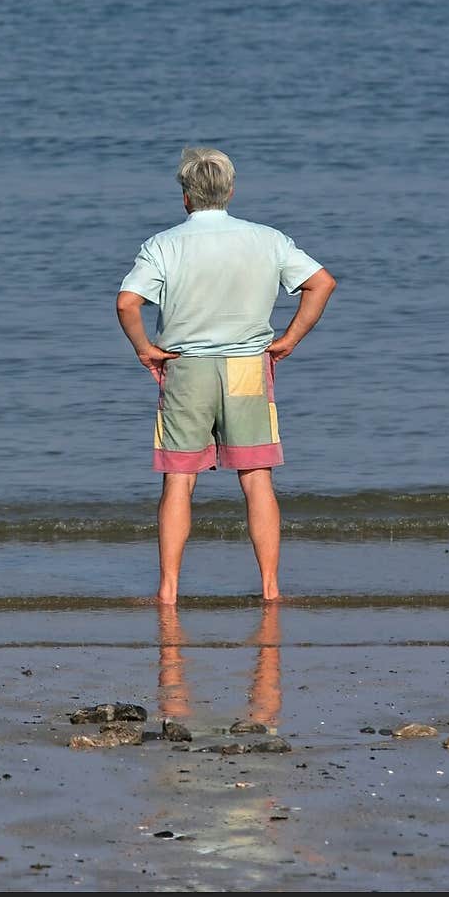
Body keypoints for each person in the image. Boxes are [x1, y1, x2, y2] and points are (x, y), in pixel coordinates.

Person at [117, 146, 336, 604]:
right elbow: (321, 283)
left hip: (185, 368)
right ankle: (271, 589)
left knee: (179, 479)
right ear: (230, 191)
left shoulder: (164, 244)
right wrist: (290, 339)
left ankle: (169, 590)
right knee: (257, 477)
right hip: (246, 367)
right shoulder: (266, 239)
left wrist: (145, 349)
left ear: (186, 197)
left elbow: (127, 303)